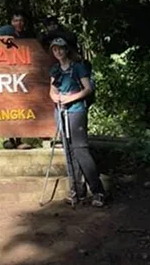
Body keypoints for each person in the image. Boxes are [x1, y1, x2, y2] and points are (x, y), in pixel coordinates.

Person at [49, 37, 105, 207]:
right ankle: (77, 192)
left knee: (81, 150)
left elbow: (87, 89)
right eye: (55, 50)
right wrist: (57, 98)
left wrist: (70, 98)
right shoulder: (55, 70)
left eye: (61, 49)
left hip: (76, 112)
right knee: (69, 152)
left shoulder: (78, 67)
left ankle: (98, 192)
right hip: (61, 111)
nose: (58, 52)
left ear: (67, 50)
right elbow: (51, 91)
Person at [0, 11, 33, 149]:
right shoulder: (7, 29)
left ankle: (17, 140)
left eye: (21, 21)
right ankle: (8, 139)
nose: (19, 23)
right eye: (16, 20)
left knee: (18, 105)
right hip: (3, 72)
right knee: (7, 103)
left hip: (18, 73)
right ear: (12, 22)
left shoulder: (24, 35)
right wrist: (1, 38)